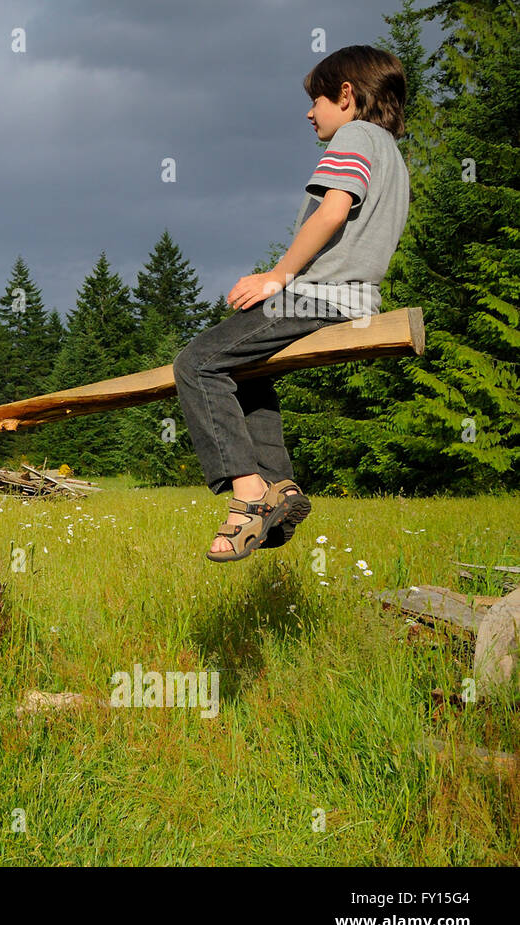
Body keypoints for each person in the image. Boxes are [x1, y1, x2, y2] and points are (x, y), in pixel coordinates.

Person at [173, 45, 409, 562]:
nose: (309, 113)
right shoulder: (392, 154)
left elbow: (331, 212)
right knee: (245, 369)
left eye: (316, 100)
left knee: (196, 364)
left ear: (346, 95)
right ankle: (279, 488)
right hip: (355, 297)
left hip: (320, 296)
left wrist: (278, 277)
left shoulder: (354, 136)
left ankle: (247, 495)